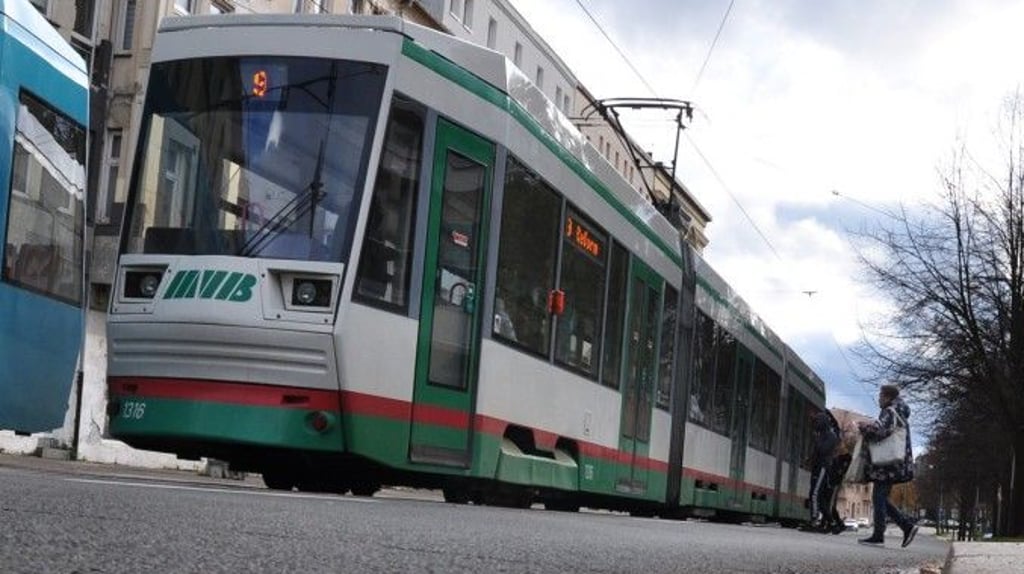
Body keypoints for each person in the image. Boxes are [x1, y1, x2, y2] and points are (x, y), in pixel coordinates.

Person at [857, 384, 919, 547]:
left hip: (887, 464)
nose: (878, 399)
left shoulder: (890, 411)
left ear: (887, 397)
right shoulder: (900, 411)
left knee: (878, 497)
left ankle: (880, 535)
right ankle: (906, 527)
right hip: (896, 462)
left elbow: (879, 431)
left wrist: (863, 427)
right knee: (881, 497)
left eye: (880, 395)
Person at [806, 411, 841, 533]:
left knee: (815, 494)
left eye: (817, 421)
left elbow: (823, 450)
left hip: (823, 467)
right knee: (817, 496)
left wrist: (816, 439)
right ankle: (832, 523)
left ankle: (814, 520)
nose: (816, 424)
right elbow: (816, 451)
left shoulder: (831, 436)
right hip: (817, 466)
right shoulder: (822, 434)